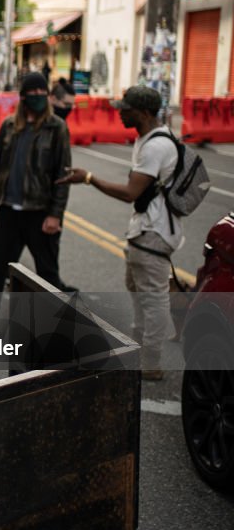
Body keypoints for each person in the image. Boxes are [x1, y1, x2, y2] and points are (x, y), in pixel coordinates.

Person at [57, 86, 180, 381]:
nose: (119, 112)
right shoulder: (146, 139)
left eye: (127, 109)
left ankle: (151, 362)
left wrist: (88, 178)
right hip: (143, 230)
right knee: (138, 290)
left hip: (154, 233)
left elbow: (129, 193)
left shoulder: (155, 147)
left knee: (152, 298)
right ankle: (142, 350)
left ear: (146, 113)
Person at [0, 72, 73, 327]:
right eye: (34, 94)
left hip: (40, 211)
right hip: (9, 209)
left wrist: (55, 214)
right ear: (23, 97)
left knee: (47, 271)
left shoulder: (56, 128)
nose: (39, 98)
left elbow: (63, 176)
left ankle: (55, 323)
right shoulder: (9, 126)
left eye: (43, 94)